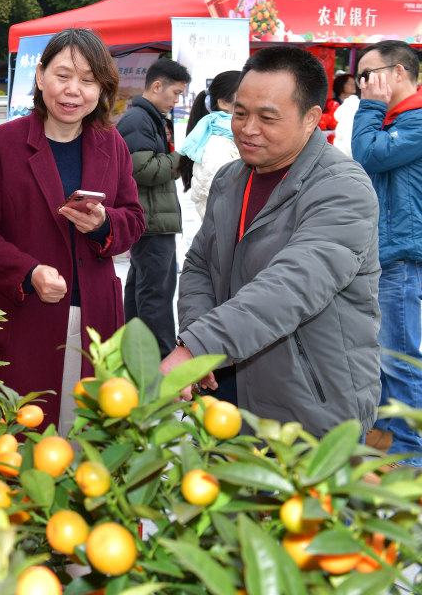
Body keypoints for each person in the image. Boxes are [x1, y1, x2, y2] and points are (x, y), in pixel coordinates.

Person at [162, 46, 380, 439]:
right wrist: (201, 340)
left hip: (310, 406)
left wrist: (198, 346)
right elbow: (199, 266)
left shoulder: (342, 188)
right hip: (226, 394)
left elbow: (292, 285)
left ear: (311, 118)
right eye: (240, 113)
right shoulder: (231, 179)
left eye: (267, 117)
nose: (248, 129)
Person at [0, 29, 145, 430]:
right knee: (18, 437)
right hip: (24, 316)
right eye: (63, 75)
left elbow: (133, 218)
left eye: (88, 80)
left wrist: (104, 224)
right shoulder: (3, 144)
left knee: (89, 438)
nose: (73, 90)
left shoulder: (111, 144)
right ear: (40, 76)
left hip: (96, 316)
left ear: (101, 89)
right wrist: (28, 272)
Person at [351, 40, 422, 468]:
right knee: (384, 356)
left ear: (398, 73)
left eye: (368, 74)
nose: (362, 84)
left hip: (401, 257)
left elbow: (367, 155)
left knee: (399, 358)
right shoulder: (397, 120)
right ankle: (388, 440)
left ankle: (410, 453)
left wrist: (370, 107)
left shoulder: (415, 120)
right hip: (387, 254)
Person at [116, 58, 191, 356]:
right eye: (175, 93)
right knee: (156, 293)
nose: (177, 100)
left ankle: (135, 354)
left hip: (151, 219)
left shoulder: (147, 118)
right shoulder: (138, 120)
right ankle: (160, 358)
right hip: (151, 221)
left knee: (143, 289)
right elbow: (142, 169)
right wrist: (182, 158)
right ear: (157, 86)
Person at [179, 70, 243, 221]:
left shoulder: (234, 138)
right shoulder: (217, 144)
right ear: (223, 103)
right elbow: (225, 202)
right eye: (244, 95)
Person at [332, 73, 361, 157]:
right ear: (341, 85)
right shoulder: (332, 103)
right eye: (349, 83)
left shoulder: (357, 103)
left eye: (354, 83)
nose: (353, 85)